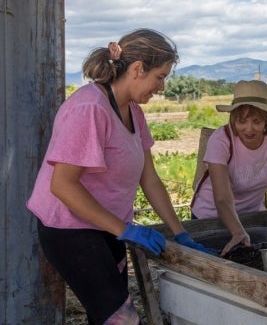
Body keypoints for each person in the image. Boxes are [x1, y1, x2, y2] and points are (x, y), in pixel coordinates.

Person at [27, 29, 215, 325]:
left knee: (106, 314)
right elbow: (62, 185)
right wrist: (126, 230)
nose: (162, 87)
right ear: (138, 69)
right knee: (122, 319)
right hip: (70, 228)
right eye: (160, 76)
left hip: (107, 225)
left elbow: (149, 179)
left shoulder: (133, 112)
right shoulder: (89, 107)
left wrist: (180, 232)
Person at [190, 80, 267, 256]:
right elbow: (222, 198)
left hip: (254, 217)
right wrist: (237, 231)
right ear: (233, 119)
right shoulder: (221, 140)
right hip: (212, 220)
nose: (248, 129)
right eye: (242, 121)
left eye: (257, 121)